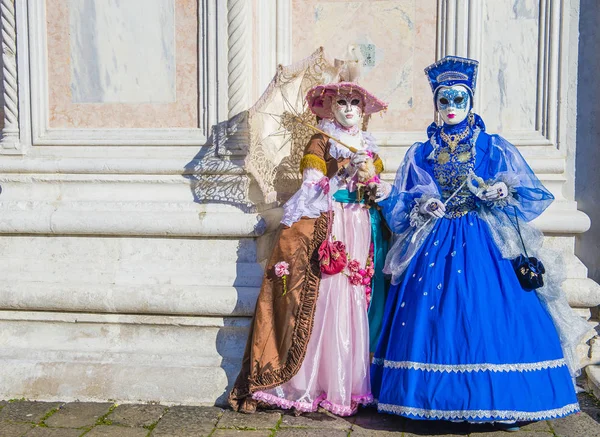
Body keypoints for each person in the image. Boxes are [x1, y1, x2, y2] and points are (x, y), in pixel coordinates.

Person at [371, 56, 590, 430]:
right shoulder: (421, 151)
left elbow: (524, 187)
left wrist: (502, 187)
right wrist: (426, 202)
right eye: (445, 100)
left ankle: (499, 399)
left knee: (489, 314)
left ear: (471, 101)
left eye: (459, 100)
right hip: (436, 240)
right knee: (439, 320)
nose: (452, 108)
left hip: (487, 239)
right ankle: (432, 399)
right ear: (436, 104)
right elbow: (406, 197)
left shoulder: (491, 145)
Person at [228, 66, 389, 416]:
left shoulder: (368, 146)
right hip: (333, 225)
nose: (348, 108)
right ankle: (314, 382)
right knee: (329, 295)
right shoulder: (319, 141)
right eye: (342, 102)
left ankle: (351, 383)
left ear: (363, 110)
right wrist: (341, 172)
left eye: (355, 103)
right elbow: (312, 189)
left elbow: (375, 189)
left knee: (357, 295)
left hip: (362, 224)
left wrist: (370, 179)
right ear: (330, 108)